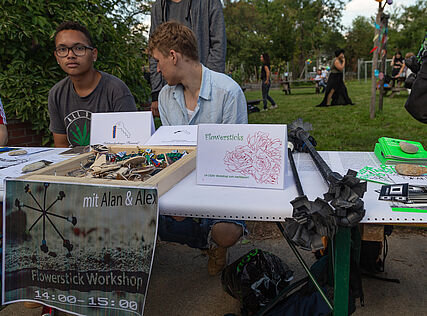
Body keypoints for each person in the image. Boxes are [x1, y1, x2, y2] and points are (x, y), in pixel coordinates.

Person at [148, 21, 247, 275]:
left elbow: (235, 159)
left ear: (173, 56)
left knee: (227, 232)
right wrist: (181, 199)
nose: (157, 69)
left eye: (158, 60)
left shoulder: (228, 92)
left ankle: (215, 240)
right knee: (143, 218)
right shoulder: (165, 97)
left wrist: (196, 201)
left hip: (222, 182)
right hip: (183, 177)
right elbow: (173, 151)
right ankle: (205, 238)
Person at [48, 21, 137, 148]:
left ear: (94, 54)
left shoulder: (116, 90)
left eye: (79, 48)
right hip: (74, 164)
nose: (70, 55)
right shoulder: (56, 93)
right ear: (57, 57)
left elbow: (131, 143)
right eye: (62, 49)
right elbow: (61, 147)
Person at [149, 0, 226, 117]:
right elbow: (154, 52)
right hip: (172, 93)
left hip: (205, 88)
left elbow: (218, 44)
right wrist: (156, 92)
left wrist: (209, 87)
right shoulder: (158, 7)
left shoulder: (209, 2)